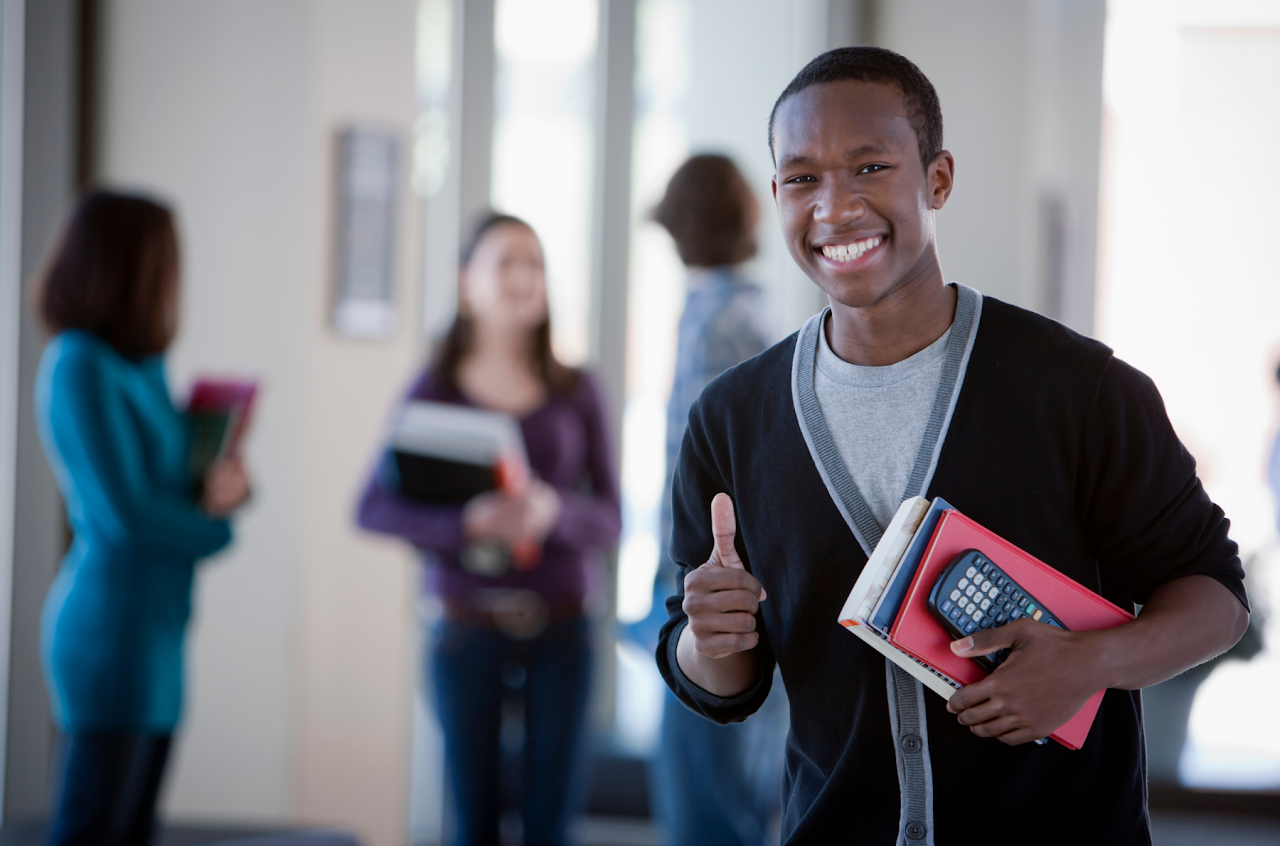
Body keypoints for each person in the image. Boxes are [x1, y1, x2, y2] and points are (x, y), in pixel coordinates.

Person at [655, 47, 1250, 844]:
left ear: (937, 180)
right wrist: (707, 639)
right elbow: (725, 684)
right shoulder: (730, 419)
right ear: (776, 195)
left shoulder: (1079, 390)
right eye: (803, 177)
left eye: (869, 166)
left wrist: (1090, 663)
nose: (835, 207)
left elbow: (1214, 596)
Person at [357, 212, 621, 846]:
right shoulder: (433, 387)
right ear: (464, 283)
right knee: (469, 821)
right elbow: (371, 508)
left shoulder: (578, 388)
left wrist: (555, 512)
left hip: (565, 627)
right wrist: (461, 523)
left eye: (534, 264)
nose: (524, 278)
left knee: (550, 822)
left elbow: (612, 517)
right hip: (462, 628)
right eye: (505, 263)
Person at [33, 191, 251, 846]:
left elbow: (179, 472)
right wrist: (218, 529)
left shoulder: (144, 365)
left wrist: (229, 485)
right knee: (90, 828)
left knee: (132, 831)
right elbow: (126, 515)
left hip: (161, 631)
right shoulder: (78, 365)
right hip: (109, 632)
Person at [644, 154, 785, 846]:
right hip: (708, 575)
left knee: (704, 788)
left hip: (708, 578)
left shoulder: (722, 319)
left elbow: (709, 474)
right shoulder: (735, 310)